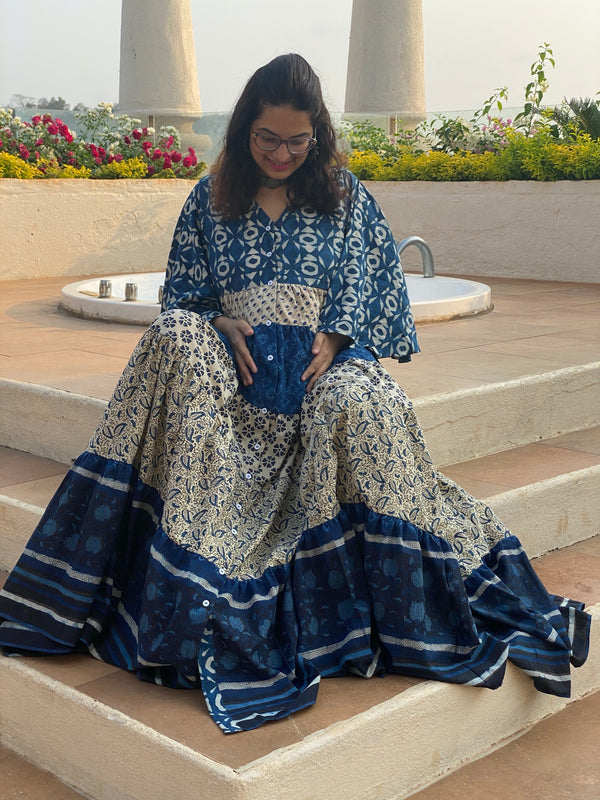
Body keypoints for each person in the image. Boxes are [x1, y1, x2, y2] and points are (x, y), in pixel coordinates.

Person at [0, 54, 590, 734]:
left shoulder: (344, 196)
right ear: (244, 129)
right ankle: (175, 559)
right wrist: (216, 321)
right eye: (266, 138)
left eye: (297, 141)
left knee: (360, 403)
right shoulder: (210, 197)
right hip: (234, 404)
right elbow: (183, 296)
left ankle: (400, 594)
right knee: (173, 336)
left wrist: (339, 338)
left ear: (319, 137)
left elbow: (379, 293)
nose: (281, 153)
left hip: (325, 384)